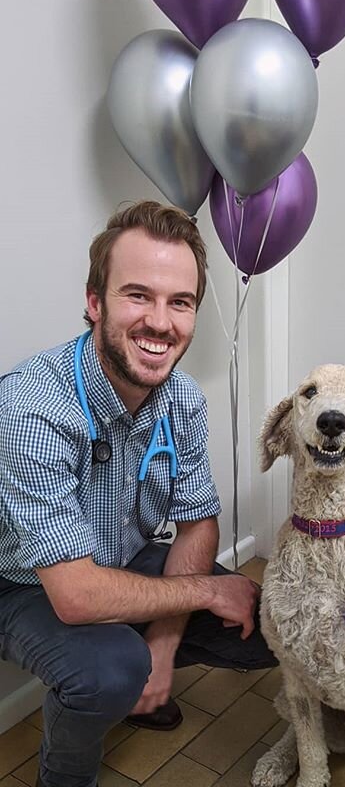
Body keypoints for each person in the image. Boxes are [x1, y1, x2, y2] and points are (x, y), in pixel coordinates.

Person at [0, 201, 276, 787]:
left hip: (118, 557)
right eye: (138, 296)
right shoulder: (31, 408)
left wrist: (165, 640)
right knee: (108, 672)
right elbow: (74, 595)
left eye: (179, 302)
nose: (160, 321)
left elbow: (198, 520)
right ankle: (68, 769)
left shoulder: (181, 400)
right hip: (22, 584)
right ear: (95, 303)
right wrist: (201, 592)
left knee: (268, 614)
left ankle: (141, 676)